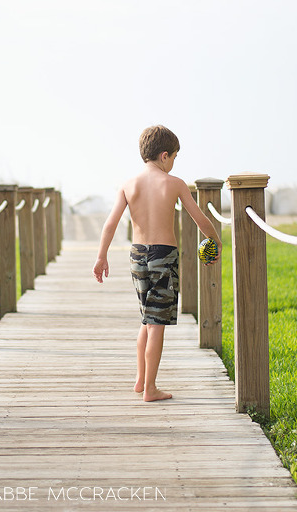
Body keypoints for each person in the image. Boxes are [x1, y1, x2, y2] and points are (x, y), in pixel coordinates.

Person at [92, 125, 222, 402]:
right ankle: (150, 389)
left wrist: (101, 255)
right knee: (157, 325)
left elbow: (111, 223)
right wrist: (215, 241)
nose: (174, 163)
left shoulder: (128, 185)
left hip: (137, 256)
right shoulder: (174, 183)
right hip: (164, 257)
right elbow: (200, 218)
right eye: (174, 157)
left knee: (146, 320)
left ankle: (140, 380)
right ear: (165, 156)